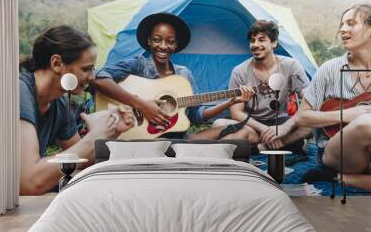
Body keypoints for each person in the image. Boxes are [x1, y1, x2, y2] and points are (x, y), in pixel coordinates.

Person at [91, 13, 253, 138]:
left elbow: (196, 115)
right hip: (138, 137)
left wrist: (230, 102)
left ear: (176, 44)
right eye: (157, 40)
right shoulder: (138, 65)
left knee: (233, 131)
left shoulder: (184, 75)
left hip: (176, 138)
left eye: (170, 41)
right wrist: (142, 105)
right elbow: (98, 79)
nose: (163, 46)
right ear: (149, 41)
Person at [20, 25, 134, 195]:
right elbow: (30, 182)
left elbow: (81, 160)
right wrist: (94, 136)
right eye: (86, 69)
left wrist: (111, 130)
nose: (92, 77)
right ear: (57, 63)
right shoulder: (19, 91)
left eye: (93, 70)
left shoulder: (59, 104)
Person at [193, 20, 311, 153]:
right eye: (252, 40)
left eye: (261, 40)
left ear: (273, 43)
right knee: (218, 124)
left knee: (309, 124)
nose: (255, 45)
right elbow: (236, 112)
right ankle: (279, 143)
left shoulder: (291, 65)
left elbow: (309, 101)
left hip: (281, 122)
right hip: (252, 124)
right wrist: (264, 129)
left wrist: (285, 127)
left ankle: (263, 146)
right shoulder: (239, 71)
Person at [296, 4, 371, 190]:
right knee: (366, 123)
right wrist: (349, 115)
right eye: (342, 24)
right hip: (335, 151)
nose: (342, 29)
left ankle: (347, 179)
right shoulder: (330, 68)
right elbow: (301, 117)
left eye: (351, 24)